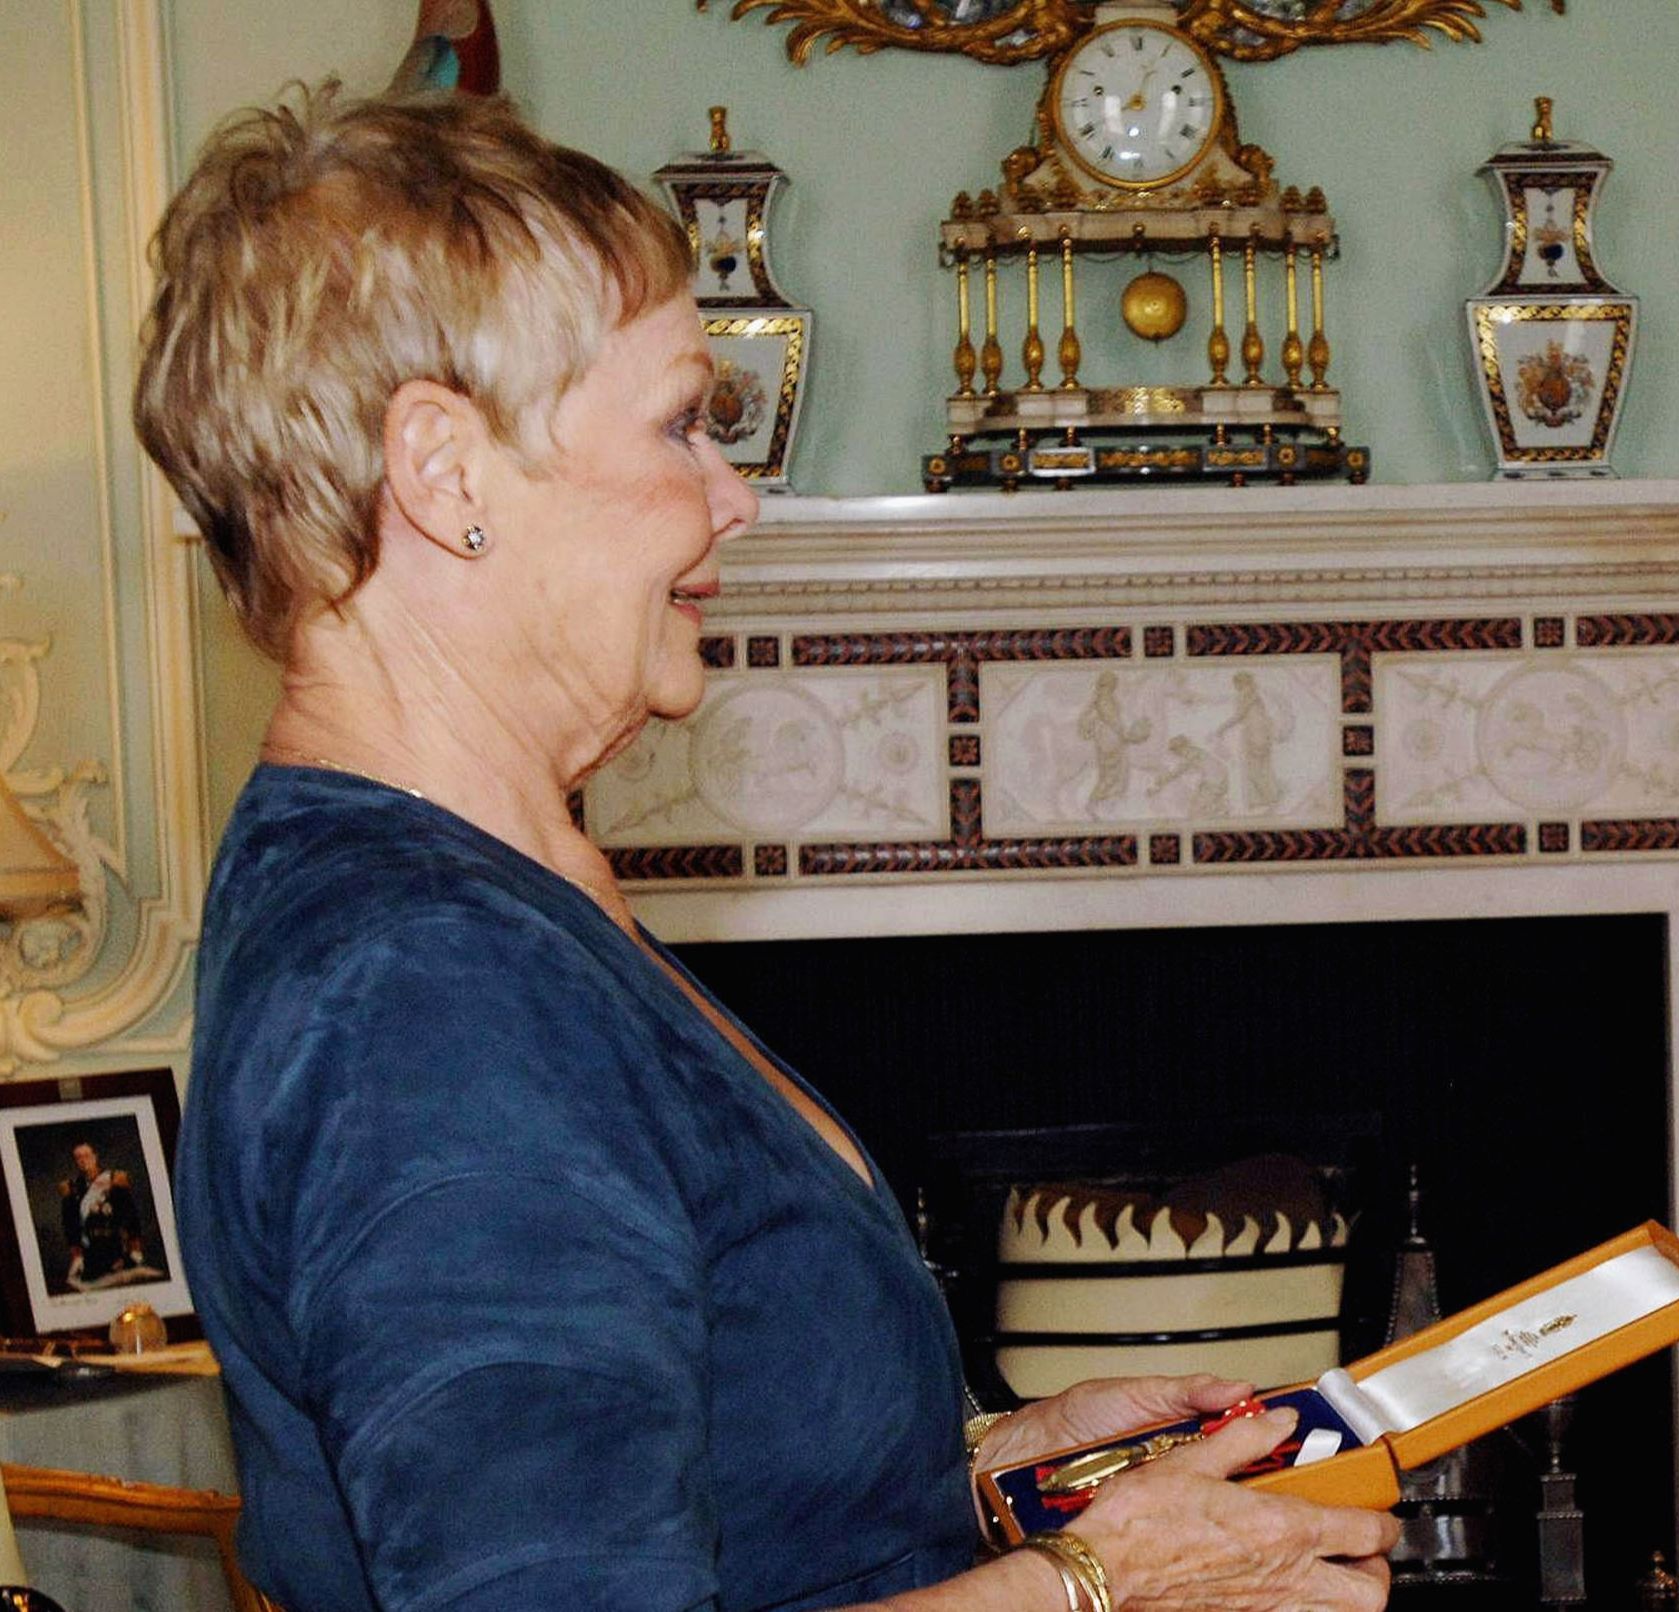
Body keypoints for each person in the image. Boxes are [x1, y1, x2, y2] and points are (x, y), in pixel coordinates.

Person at [141, 84, 1397, 1612]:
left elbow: (671, 1457)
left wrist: (981, 1474)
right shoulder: (428, 995)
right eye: (681, 424)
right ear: (445, 471)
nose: (734, 498)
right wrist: (1098, 1584)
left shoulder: (476, 908)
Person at [59, 1140, 156, 1287]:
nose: (83, 1160)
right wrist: (77, 1256)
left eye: (86, 1155)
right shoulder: (72, 1188)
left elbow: (131, 1217)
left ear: (95, 1156)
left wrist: (135, 1249)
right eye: (78, 1157)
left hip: (116, 1248)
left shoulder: (114, 1180)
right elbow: (70, 1226)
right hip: (90, 1252)